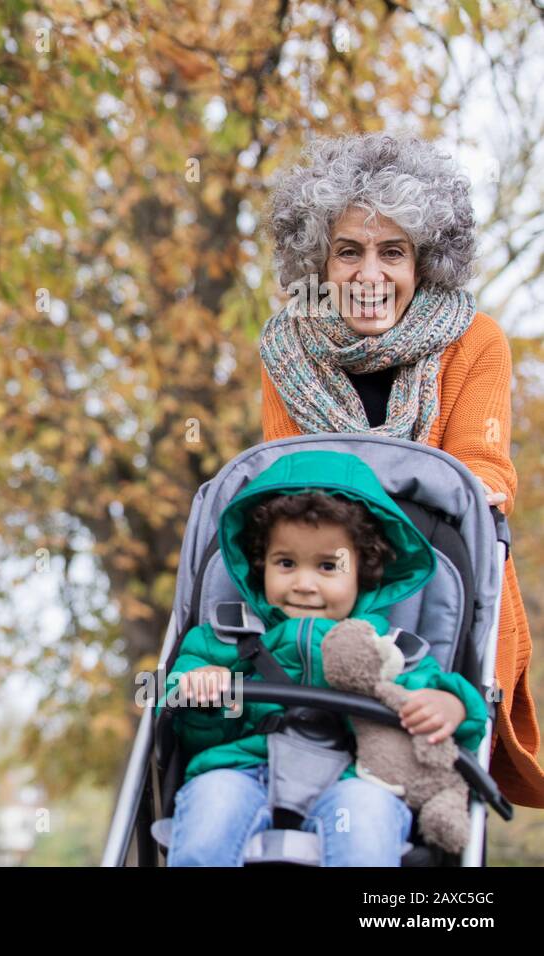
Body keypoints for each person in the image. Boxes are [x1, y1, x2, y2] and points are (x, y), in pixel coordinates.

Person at [260, 132, 544, 807]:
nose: (369, 274)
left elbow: (486, 475)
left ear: (425, 262)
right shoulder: (284, 350)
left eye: (393, 252)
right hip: (318, 583)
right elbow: (284, 487)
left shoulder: (476, 342)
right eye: (348, 251)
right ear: (318, 263)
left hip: (433, 585)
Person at [160, 450, 487, 867]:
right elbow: (173, 720)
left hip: (354, 781)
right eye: (285, 563)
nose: (304, 584)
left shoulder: (389, 650)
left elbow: (452, 705)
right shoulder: (223, 638)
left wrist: (453, 706)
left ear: (365, 571)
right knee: (211, 808)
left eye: (328, 566)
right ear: (260, 565)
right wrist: (196, 694)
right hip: (242, 769)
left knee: (367, 823)